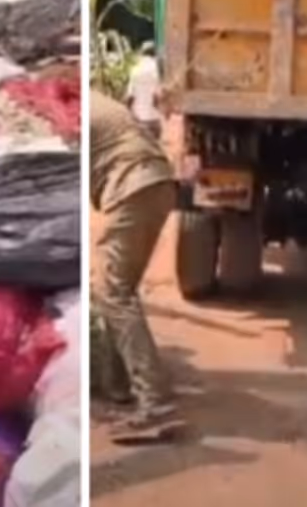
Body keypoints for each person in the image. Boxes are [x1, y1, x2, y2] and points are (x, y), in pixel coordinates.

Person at [90, 90, 183, 443]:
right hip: (153, 183)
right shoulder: (94, 102)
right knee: (116, 289)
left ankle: (156, 407)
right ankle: (119, 385)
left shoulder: (74, 110)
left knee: (112, 291)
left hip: (134, 185)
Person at [126, 43, 162, 140]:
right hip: (154, 119)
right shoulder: (157, 70)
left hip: (139, 120)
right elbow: (157, 96)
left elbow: (130, 97)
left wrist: (126, 111)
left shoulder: (135, 70)